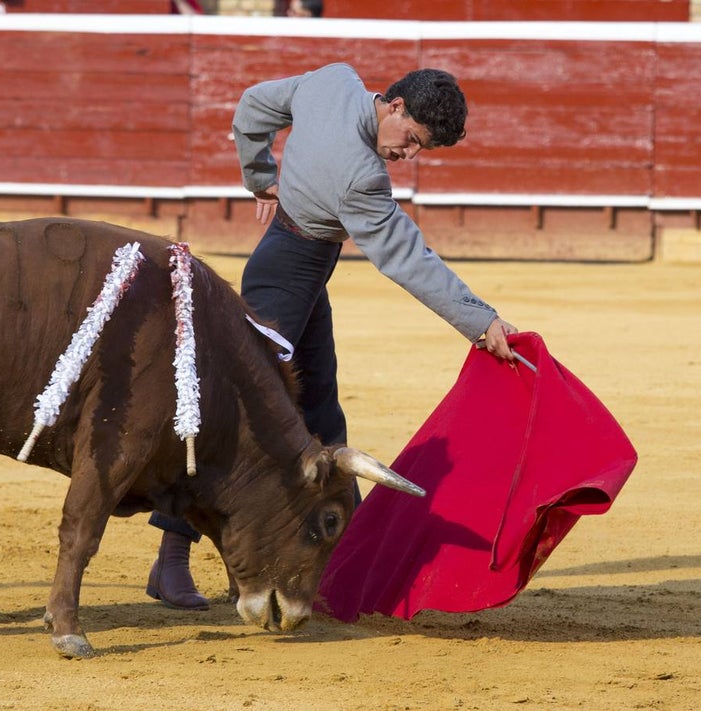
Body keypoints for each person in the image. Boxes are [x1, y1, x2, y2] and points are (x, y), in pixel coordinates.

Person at [144, 63, 518, 611]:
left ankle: (348, 559)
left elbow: (251, 106)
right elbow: (408, 258)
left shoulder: (333, 82)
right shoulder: (361, 177)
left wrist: (258, 176)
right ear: (394, 106)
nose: (407, 156)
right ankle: (170, 558)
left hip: (300, 275)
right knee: (236, 416)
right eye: (410, 139)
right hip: (285, 280)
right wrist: (480, 321)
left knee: (318, 407)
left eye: (422, 151)